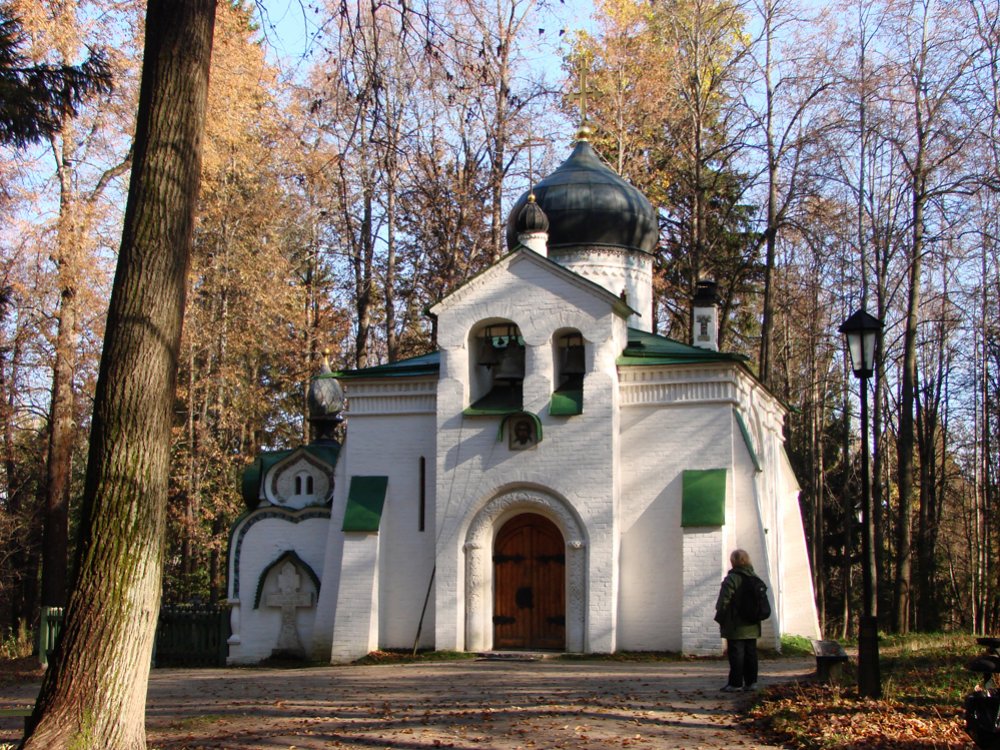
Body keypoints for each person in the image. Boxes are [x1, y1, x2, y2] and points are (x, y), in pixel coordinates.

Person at [714, 548, 761, 692]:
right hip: (753, 623)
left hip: (735, 623)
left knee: (736, 654)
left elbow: (723, 602)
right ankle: (751, 682)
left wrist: (721, 616)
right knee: (751, 653)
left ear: (733, 562)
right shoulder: (755, 578)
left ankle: (735, 683)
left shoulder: (732, 579)